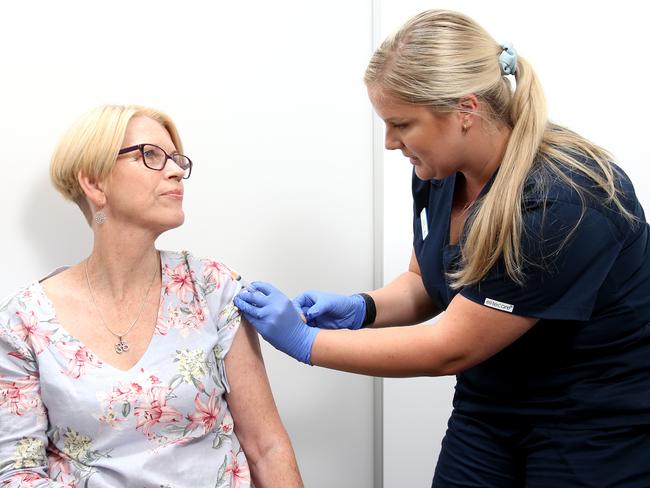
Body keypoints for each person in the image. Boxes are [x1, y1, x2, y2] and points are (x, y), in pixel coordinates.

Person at [234, 9, 650, 487]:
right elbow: (426, 282)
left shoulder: (564, 200)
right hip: (489, 408)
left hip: (594, 424)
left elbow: (448, 349)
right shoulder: (440, 173)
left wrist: (307, 344)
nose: (390, 142)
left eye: (402, 124)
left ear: (465, 111)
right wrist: (362, 308)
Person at [0, 105, 303, 487]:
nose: (176, 171)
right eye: (151, 155)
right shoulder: (23, 322)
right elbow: (19, 474)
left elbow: (267, 447)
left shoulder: (210, 287)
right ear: (94, 183)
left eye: (177, 159)